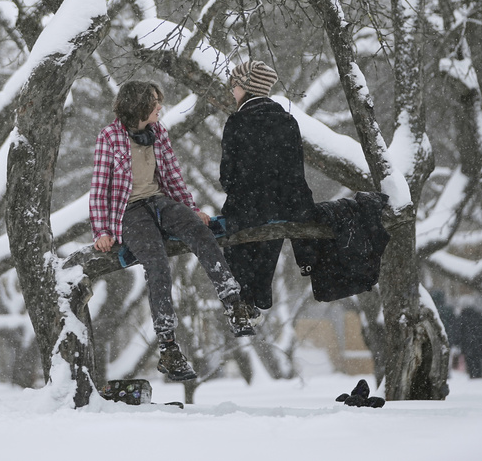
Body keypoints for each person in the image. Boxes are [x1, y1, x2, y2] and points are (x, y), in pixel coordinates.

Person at [90, 81, 256, 382]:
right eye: (154, 101)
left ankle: (233, 304)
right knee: (157, 264)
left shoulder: (159, 133)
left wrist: (191, 209)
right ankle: (168, 347)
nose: (159, 107)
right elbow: (99, 189)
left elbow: (173, 177)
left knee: (200, 234)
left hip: (159, 202)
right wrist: (102, 230)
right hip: (128, 212)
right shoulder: (110, 137)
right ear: (139, 105)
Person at [220, 61, 315, 314]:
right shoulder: (288, 121)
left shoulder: (237, 121)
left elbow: (226, 177)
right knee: (263, 264)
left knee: (238, 265)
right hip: (280, 209)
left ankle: (242, 306)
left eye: (235, 85)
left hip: (244, 210)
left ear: (246, 87)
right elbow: (296, 174)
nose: (232, 91)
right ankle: (258, 297)